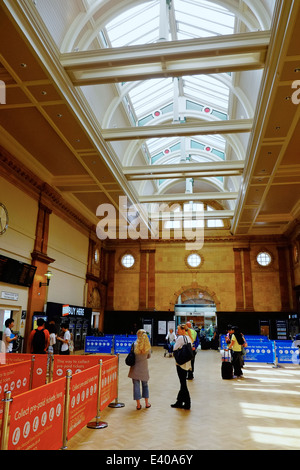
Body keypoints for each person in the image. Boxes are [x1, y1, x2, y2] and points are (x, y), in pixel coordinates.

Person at [128, 329, 151, 410]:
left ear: (138, 335)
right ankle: (147, 403)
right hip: (144, 367)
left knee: (136, 386)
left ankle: (138, 405)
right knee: (145, 385)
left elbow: (131, 355)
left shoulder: (134, 344)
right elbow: (149, 356)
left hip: (135, 368)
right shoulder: (148, 345)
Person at [171, 324, 192, 410]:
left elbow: (174, 348)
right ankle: (179, 401)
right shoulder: (188, 338)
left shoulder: (180, 338)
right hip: (187, 363)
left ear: (183, 330)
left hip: (180, 364)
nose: (177, 331)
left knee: (183, 384)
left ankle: (187, 403)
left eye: (178, 330)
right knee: (182, 383)